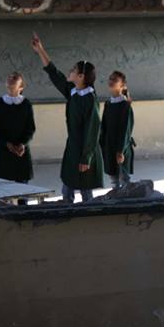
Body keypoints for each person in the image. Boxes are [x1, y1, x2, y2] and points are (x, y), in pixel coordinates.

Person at [30, 32, 103, 203]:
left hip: (85, 150)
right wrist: (40, 50)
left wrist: (86, 158)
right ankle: (67, 209)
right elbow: (55, 74)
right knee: (68, 186)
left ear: (81, 77)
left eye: (73, 70)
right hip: (73, 148)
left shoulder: (90, 100)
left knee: (85, 190)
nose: (69, 71)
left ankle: (89, 214)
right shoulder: (73, 92)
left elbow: (93, 131)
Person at [0, 71, 36, 183]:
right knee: (2, 188)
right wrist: (6, 143)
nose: (11, 78)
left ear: (21, 86)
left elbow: (30, 129)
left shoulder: (26, 104)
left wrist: (23, 144)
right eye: (9, 77)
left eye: (15, 77)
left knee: (22, 189)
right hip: (3, 151)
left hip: (20, 151)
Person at [100, 70, 135, 189]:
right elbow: (104, 126)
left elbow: (126, 130)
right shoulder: (108, 103)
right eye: (110, 78)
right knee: (113, 180)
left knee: (124, 179)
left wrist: (121, 150)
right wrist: (102, 145)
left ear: (122, 85)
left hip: (121, 148)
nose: (111, 81)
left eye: (115, 80)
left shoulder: (125, 105)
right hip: (109, 147)